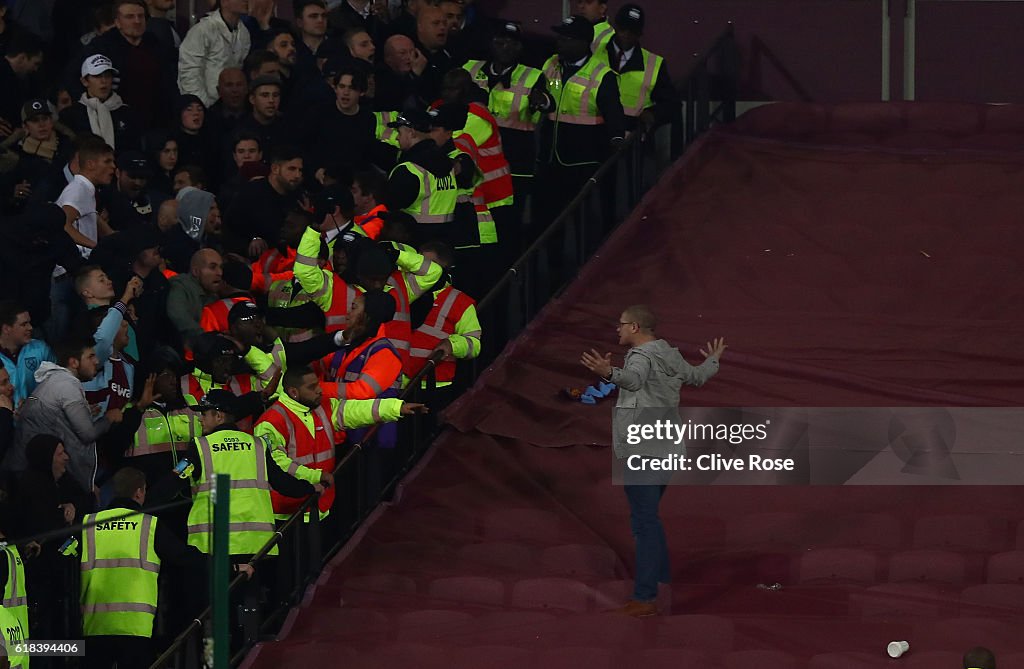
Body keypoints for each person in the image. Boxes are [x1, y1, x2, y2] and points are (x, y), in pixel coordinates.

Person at [580, 304, 726, 617]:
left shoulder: (640, 356)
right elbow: (697, 377)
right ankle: (660, 584)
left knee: (645, 522)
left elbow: (633, 380)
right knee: (647, 519)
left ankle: (645, 598)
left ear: (634, 327)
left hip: (642, 448)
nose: (617, 330)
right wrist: (713, 359)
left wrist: (608, 373)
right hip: (667, 447)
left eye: (620, 325)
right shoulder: (669, 353)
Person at [80, 466, 231, 668]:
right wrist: (232, 566)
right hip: (136, 628)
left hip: (94, 627)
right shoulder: (149, 525)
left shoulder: (88, 523)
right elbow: (186, 557)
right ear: (140, 492)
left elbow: (63, 554)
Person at [536, 15, 624, 235]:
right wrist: (543, 100)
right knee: (549, 222)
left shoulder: (602, 74)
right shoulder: (552, 64)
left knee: (583, 224)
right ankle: (556, 267)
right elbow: (550, 92)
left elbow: (613, 111)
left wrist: (616, 137)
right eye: (560, 37)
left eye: (566, 38)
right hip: (550, 158)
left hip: (583, 162)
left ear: (584, 42)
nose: (560, 42)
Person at [11, 336, 125, 496]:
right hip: (35, 476)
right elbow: (88, 434)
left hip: (31, 473)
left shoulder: (57, 381)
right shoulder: (67, 385)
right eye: (90, 356)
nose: (97, 361)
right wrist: (109, 418)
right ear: (74, 362)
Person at [595, 4, 678, 134]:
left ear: (640, 33)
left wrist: (652, 114)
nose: (627, 33)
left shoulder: (654, 64)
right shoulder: (594, 53)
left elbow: (671, 104)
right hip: (596, 132)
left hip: (633, 139)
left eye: (633, 30)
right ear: (615, 26)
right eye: (623, 28)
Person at [178, 0, 252, 108]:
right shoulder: (202, 30)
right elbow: (189, 73)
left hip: (231, 106)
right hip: (207, 104)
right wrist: (201, 106)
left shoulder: (244, 33)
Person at [60, 54, 142, 151]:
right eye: (97, 76)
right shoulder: (70, 116)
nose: (104, 81)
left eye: (107, 76)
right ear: (84, 81)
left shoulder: (128, 114)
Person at [166, 248, 224, 348]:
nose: (219, 273)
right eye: (212, 267)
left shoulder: (213, 294)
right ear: (196, 271)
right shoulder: (180, 286)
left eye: (221, 267)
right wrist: (204, 339)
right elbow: (177, 314)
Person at [0, 301, 54, 406]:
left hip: (37, 417)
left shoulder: (40, 349)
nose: (30, 328)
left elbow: (55, 384)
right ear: (6, 328)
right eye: (24, 324)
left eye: (29, 323)